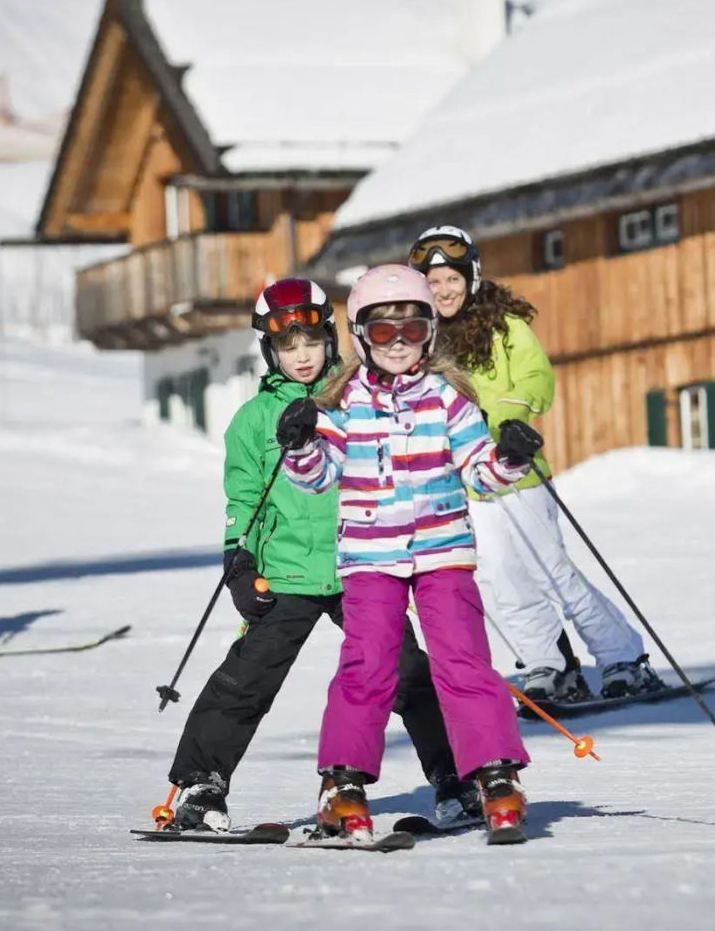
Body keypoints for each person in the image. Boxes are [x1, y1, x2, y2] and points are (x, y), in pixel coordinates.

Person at [162, 279, 478, 833]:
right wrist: (239, 561)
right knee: (247, 677)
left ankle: (454, 780)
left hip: (363, 565)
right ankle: (200, 785)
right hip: (286, 570)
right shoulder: (254, 420)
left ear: (330, 340)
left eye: (311, 343)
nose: (302, 356)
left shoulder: (360, 398)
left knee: (406, 674)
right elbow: (242, 498)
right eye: (289, 347)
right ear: (271, 351)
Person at [276, 264, 540, 844]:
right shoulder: (341, 403)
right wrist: (298, 444)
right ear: (359, 335)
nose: (398, 343)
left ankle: (494, 774)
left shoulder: (449, 400)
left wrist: (511, 457)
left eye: (413, 329)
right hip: (371, 556)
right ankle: (342, 784)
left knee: (462, 660)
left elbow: (480, 473)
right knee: (369, 664)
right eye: (382, 330)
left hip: (443, 551)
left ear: (430, 334)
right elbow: (319, 477)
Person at [408, 225, 662, 704]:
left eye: (452, 279)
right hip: (467, 482)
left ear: (472, 276)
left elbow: (536, 379)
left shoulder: (505, 328)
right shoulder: (421, 341)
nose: (443, 291)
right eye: (433, 283)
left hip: (517, 468)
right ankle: (548, 664)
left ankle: (621, 657)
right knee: (500, 573)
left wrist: (506, 420)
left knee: (552, 570)